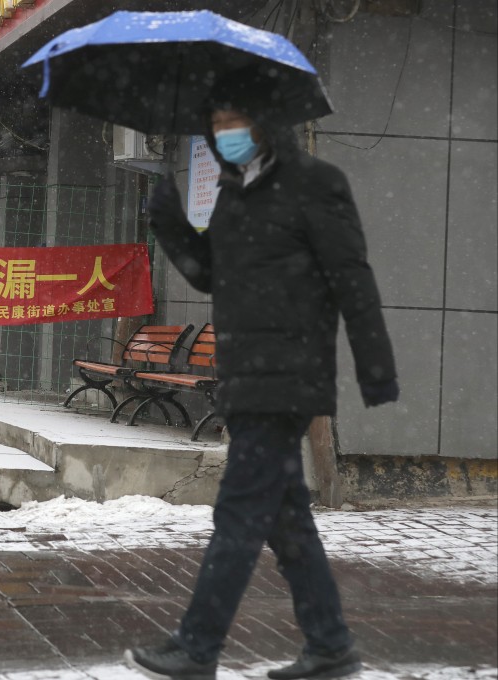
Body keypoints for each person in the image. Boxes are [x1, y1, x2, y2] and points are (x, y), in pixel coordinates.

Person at [124, 72, 399, 680]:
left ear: (266, 123)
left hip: (289, 376)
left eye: (237, 123)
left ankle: (197, 647)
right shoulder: (234, 193)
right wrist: (168, 220)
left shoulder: (316, 185)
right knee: (283, 515)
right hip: (245, 376)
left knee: (240, 511)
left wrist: (375, 368)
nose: (227, 135)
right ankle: (329, 644)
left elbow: (351, 275)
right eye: (218, 126)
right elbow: (206, 275)